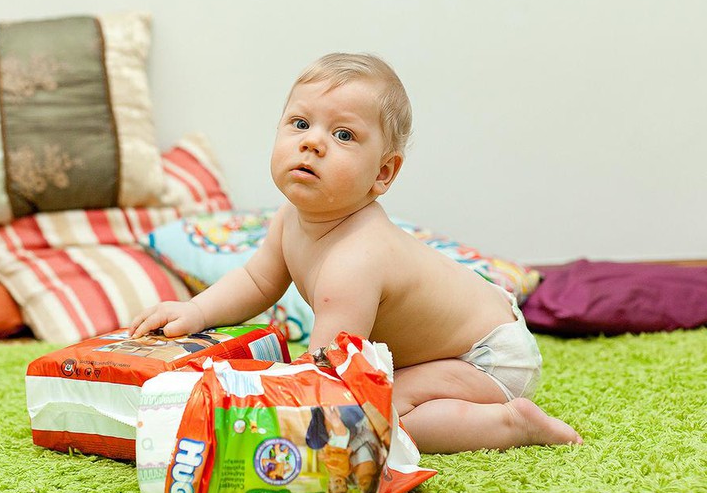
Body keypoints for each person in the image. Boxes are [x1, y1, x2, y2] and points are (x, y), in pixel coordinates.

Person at [129, 52, 583, 454]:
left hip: (485, 359)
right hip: (447, 343)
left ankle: (510, 423)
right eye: (300, 124)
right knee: (374, 399)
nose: (312, 142)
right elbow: (256, 281)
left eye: (343, 134)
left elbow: (328, 375)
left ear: (383, 173)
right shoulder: (289, 218)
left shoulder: (356, 259)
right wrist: (195, 311)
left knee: (377, 415)